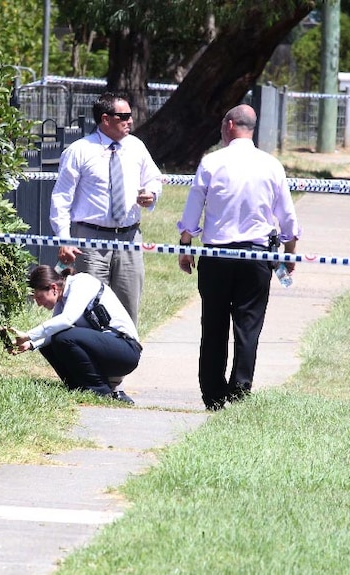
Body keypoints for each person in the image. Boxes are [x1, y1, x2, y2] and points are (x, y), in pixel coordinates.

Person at [177, 104, 301, 411]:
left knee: (214, 324)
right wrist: (290, 252)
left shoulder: (212, 162)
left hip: (217, 256)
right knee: (249, 325)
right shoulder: (271, 165)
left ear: (231, 125)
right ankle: (240, 387)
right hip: (256, 257)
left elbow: (194, 205)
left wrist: (185, 242)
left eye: (222, 124)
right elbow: (286, 214)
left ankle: (213, 393)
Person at [49, 92, 163, 404]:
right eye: (124, 117)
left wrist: (151, 194)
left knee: (126, 305)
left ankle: (114, 380)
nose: (131, 121)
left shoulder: (135, 147)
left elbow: (154, 178)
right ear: (106, 120)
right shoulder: (79, 151)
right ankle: (88, 375)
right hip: (90, 238)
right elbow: (61, 197)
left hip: (128, 237)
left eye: (130, 116)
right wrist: (64, 239)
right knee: (86, 309)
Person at [7, 265, 143, 402]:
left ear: (53, 288)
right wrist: (30, 344)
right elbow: (52, 332)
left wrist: (29, 334)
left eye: (39, 297)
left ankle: (100, 391)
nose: (39, 304)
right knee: (49, 343)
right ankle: (78, 387)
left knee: (64, 338)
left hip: (127, 351)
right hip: (108, 351)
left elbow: (66, 320)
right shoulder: (62, 300)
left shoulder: (81, 283)